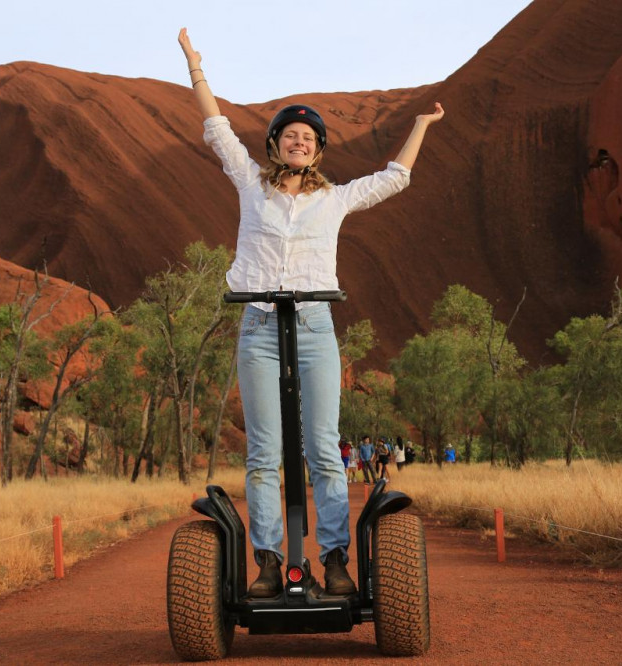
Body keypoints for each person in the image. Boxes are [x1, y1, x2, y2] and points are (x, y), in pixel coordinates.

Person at [178, 28, 445, 599]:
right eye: (290, 135)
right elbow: (217, 130)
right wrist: (196, 67)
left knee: (324, 449)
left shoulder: (335, 198)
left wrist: (420, 126)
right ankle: (270, 562)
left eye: (308, 137)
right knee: (263, 452)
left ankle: (335, 560)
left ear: (318, 152)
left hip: (315, 329)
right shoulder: (252, 186)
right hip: (258, 328)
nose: (299, 142)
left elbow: (395, 179)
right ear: (275, 146)